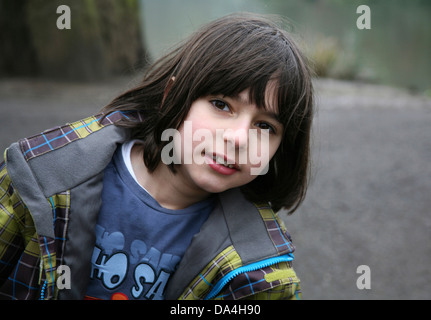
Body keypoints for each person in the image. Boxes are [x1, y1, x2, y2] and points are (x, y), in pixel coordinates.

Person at [0, 12, 314, 300]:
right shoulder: (42, 178)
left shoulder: (262, 274)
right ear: (172, 96)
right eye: (221, 105)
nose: (238, 138)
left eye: (264, 126)